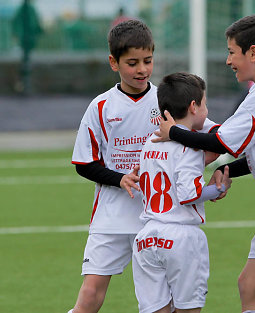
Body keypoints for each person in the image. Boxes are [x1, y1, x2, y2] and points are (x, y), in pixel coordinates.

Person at [153, 14, 255, 313]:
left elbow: (221, 143)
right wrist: (223, 170)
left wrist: (174, 132)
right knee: (249, 284)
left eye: (232, 52)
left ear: (253, 53)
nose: (228, 60)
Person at [68, 19, 157, 313]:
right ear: (113, 62)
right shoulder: (101, 107)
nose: (142, 69)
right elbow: (84, 163)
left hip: (155, 216)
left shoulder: (166, 100)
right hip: (112, 217)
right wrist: (120, 179)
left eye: (147, 60)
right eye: (132, 63)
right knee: (91, 294)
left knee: (155, 300)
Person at [132, 72, 232, 313]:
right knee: (188, 309)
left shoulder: (150, 141)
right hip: (181, 238)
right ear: (193, 106)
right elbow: (188, 193)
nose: (207, 110)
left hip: (147, 237)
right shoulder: (190, 148)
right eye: (205, 104)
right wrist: (218, 188)